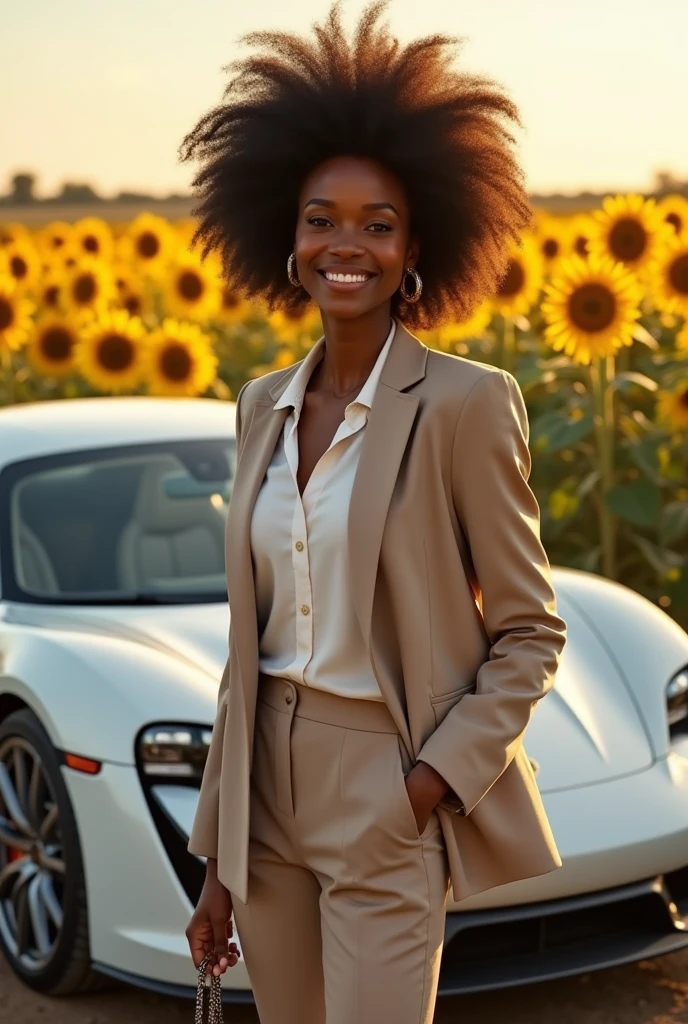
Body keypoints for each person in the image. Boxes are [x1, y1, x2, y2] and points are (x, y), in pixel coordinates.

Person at [180, 2, 568, 1021]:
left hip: (385, 784)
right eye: (320, 218)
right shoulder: (261, 405)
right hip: (263, 790)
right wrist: (217, 854)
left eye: (377, 223)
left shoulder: (464, 404)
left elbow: (528, 631)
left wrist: (425, 789)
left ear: (415, 246)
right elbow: (243, 651)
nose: (343, 244)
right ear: (286, 235)